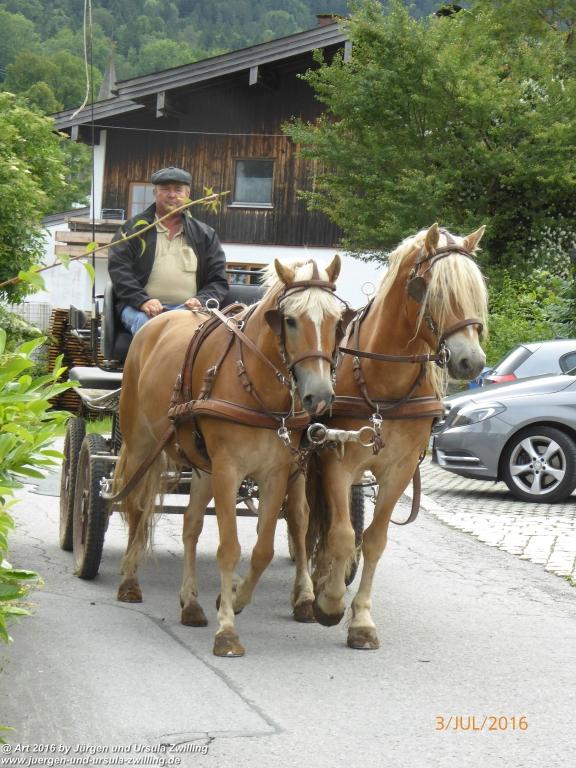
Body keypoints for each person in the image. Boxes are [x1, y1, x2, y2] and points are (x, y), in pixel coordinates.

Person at [108, 166, 228, 335]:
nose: (172, 195)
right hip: (140, 310)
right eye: (165, 189)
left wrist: (201, 300)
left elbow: (218, 280)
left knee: (206, 336)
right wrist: (143, 301)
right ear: (155, 193)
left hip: (188, 312)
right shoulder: (133, 230)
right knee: (150, 328)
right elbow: (119, 271)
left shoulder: (205, 234)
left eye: (178, 190)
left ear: (187, 195)